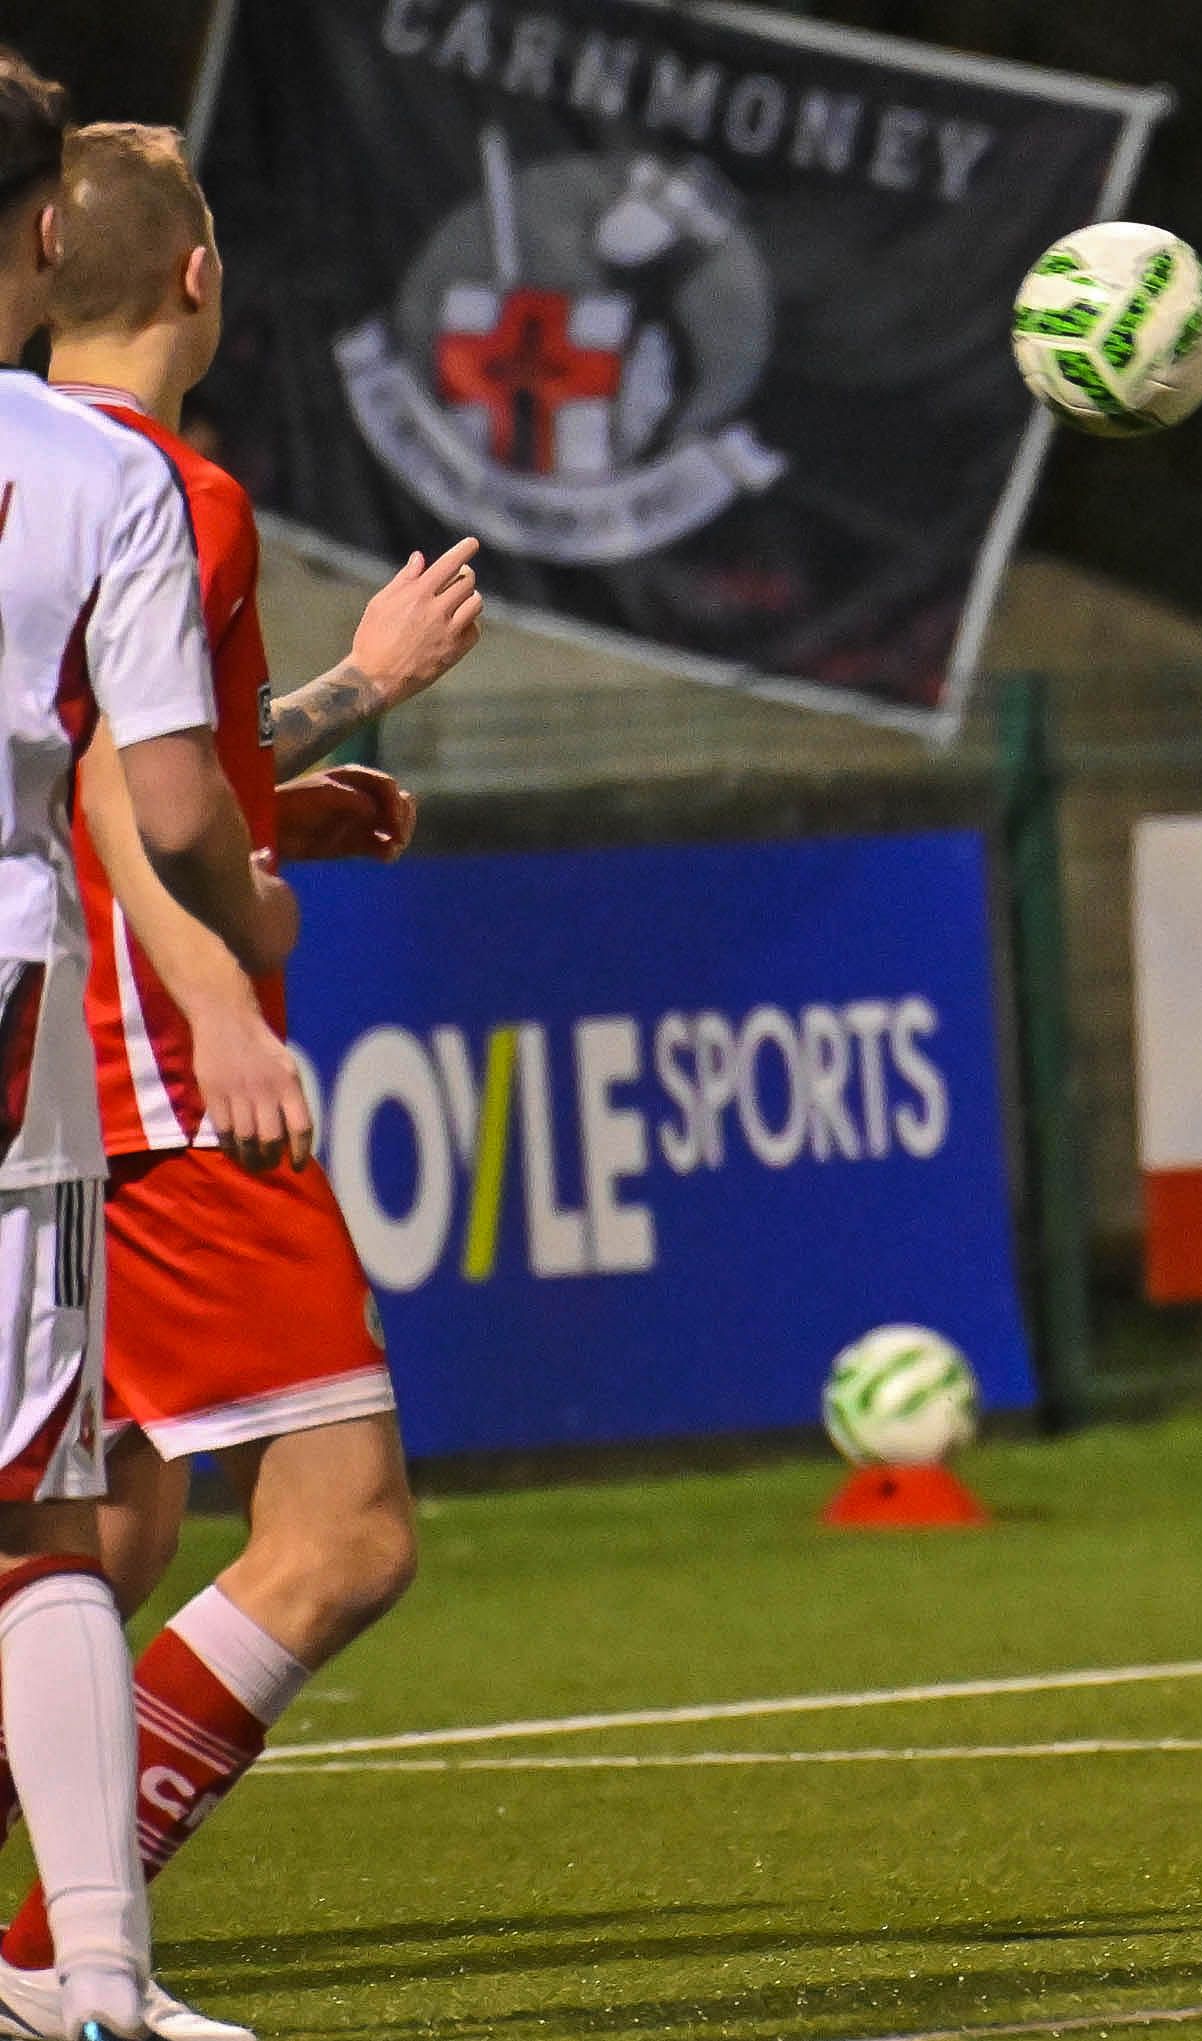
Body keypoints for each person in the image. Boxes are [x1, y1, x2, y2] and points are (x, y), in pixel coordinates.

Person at [1, 122, 484, 2041]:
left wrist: (320, 749)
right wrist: (221, 983)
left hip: (61, 1053)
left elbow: (117, 759)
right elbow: (134, 797)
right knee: (341, 1527)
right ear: (200, 280)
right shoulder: (162, 490)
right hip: (131, 1066)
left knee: (100, 1530)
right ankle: (60, 1962)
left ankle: (66, 1955)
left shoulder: (49, 469)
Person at [0, 52, 307, 2041]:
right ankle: (95, 1973)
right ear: (42, 235)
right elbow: (173, 799)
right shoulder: (107, 473)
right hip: (6, 991)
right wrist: (244, 931)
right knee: (40, 1520)